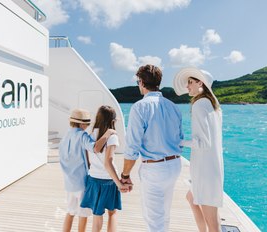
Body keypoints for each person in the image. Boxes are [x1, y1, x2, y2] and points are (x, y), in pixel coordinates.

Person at [121, 64, 184, 232]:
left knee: (154, 219)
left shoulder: (140, 107)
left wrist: (125, 174)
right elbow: (180, 139)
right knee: (164, 214)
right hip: (174, 165)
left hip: (155, 169)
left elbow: (132, 146)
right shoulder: (174, 107)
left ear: (141, 82)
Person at [173, 67, 224, 232]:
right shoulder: (212, 105)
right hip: (211, 168)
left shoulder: (199, 104)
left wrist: (179, 142)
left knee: (214, 225)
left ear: (200, 82)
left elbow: (203, 142)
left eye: (190, 82)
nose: (187, 86)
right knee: (191, 198)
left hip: (206, 171)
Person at [59, 108, 115, 232]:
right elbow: (95, 148)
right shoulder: (82, 135)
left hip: (69, 183)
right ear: (82, 124)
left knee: (70, 212)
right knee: (83, 214)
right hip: (81, 183)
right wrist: (108, 133)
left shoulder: (65, 136)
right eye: (87, 124)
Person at [81, 105, 130, 232]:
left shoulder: (90, 134)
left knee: (97, 215)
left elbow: (88, 159)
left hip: (93, 179)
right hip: (108, 181)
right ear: (112, 121)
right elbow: (108, 162)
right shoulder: (112, 136)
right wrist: (119, 183)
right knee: (112, 213)